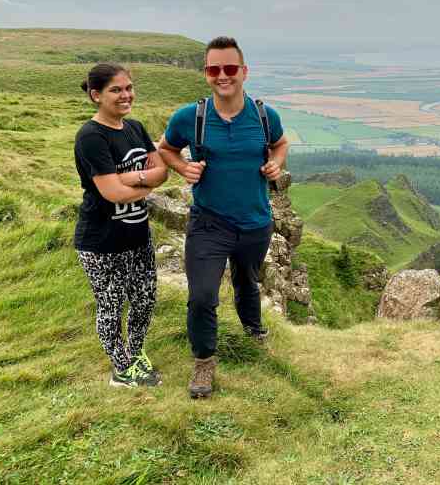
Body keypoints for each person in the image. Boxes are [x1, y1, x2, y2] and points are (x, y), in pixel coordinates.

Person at [158, 36, 289, 399]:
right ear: (206, 74)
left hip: (255, 221)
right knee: (202, 296)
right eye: (214, 69)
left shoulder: (264, 115)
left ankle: (253, 333)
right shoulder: (190, 117)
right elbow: (166, 148)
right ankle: (204, 362)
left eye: (230, 68)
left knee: (247, 282)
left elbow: (280, 143)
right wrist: (182, 167)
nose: (222, 76)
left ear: (244, 72)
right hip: (208, 222)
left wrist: (276, 163)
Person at [73, 63, 168, 388]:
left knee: (145, 300)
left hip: (137, 235)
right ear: (96, 95)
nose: (126, 95)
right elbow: (111, 193)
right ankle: (121, 371)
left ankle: (135, 355)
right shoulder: (91, 136)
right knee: (111, 305)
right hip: (101, 241)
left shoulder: (136, 128)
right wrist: (143, 180)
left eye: (128, 87)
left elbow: (162, 172)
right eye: (116, 89)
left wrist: (129, 177)